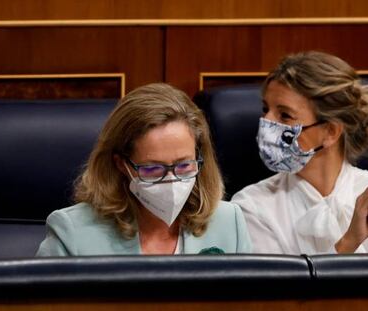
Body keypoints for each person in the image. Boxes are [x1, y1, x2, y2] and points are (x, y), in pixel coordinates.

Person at [36, 83, 251, 256]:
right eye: (153, 169)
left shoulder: (228, 222)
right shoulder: (72, 233)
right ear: (121, 164)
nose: (171, 181)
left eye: (184, 165)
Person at [232, 51, 368, 254]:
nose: (267, 123)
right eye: (265, 109)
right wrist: (349, 242)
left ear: (330, 131)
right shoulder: (251, 207)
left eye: (285, 115)